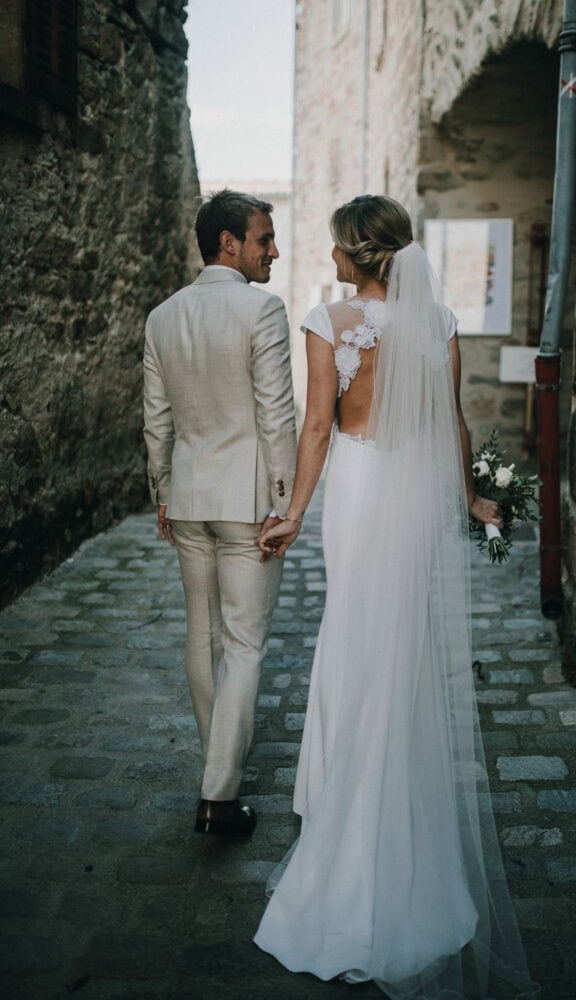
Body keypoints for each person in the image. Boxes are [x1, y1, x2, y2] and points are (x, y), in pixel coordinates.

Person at [253, 195, 538, 998]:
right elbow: (450, 421)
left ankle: (346, 815)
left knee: (353, 637)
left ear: (356, 253)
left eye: (337, 247)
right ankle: (390, 810)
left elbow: (317, 428)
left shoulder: (326, 321)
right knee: (399, 648)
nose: (329, 258)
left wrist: (291, 515)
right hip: (410, 496)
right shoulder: (438, 323)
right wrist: (468, 502)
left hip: (356, 489)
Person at [143, 189, 297, 837]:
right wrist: (284, 505)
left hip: (189, 499)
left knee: (201, 636)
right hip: (247, 506)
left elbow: (156, 421)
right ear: (228, 242)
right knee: (244, 643)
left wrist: (161, 493)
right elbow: (276, 416)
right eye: (264, 238)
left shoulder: (162, 316)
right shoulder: (262, 311)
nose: (274, 251)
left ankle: (216, 768)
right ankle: (219, 794)